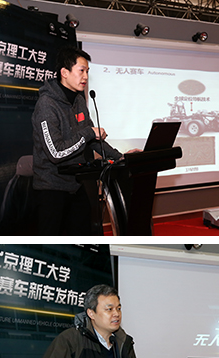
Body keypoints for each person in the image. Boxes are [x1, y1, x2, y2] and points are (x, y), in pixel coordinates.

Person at [31, 47, 136, 235]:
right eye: (81, 70)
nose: (86, 76)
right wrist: (88, 133)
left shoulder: (79, 101)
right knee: (53, 245)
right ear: (64, 72)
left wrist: (120, 157)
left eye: (87, 71)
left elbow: (93, 139)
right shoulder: (47, 105)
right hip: (51, 189)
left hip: (75, 184)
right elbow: (56, 153)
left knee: (84, 237)